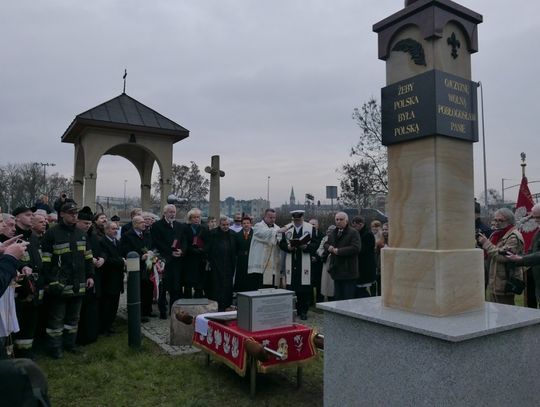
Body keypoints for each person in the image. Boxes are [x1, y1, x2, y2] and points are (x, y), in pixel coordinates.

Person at [41, 202, 94, 358]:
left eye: (75, 213)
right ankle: (55, 348)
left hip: (78, 284)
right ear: (61, 214)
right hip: (60, 285)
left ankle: (70, 344)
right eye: (70, 212)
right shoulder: (52, 234)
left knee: (73, 319)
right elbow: (46, 261)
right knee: (56, 320)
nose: (74, 215)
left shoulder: (81, 234)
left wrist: (90, 276)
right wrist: (51, 281)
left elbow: (88, 257)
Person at [12, 206, 44, 359]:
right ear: (17, 218)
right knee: (20, 321)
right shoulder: (12, 236)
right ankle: (17, 354)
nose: (31, 217)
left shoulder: (33, 237)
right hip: (20, 287)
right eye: (27, 215)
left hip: (35, 285)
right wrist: (21, 267)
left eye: (32, 215)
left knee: (32, 319)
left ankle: (27, 351)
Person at [477, 208, 524, 305]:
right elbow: (490, 252)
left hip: (506, 282)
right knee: (497, 315)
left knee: (507, 314)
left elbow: (502, 257)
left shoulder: (514, 236)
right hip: (495, 282)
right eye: (495, 220)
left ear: (509, 221)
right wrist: (480, 243)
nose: (496, 223)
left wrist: (486, 243)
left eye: (500, 220)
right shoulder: (497, 234)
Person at [279, 210, 318, 320]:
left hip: (304, 260)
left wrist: (306, 247)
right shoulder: (287, 229)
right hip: (291, 260)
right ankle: (292, 309)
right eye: (295, 220)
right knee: (292, 286)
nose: (297, 222)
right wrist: (287, 248)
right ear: (293, 219)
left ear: (302, 218)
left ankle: (303, 311)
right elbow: (281, 243)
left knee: (304, 287)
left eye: (299, 220)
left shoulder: (310, 228)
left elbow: (316, 243)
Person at [151, 204, 185, 317]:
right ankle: (162, 311)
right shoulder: (157, 225)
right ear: (164, 213)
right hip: (164, 261)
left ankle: (173, 311)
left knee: (176, 288)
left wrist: (182, 251)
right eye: (170, 212)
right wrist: (170, 252)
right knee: (163, 287)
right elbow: (157, 242)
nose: (172, 214)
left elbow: (184, 241)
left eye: (174, 212)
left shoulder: (180, 225)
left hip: (177, 262)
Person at [75, 207, 103, 345]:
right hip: (79, 276)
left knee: (91, 308)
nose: (88, 226)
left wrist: (102, 258)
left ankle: (91, 335)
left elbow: (103, 249)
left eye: (89, 223)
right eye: (85, 223)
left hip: (94, 275)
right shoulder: (75, 234)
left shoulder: (93, 236)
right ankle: (80, 337)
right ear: (77, 221)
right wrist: (89, 259)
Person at [120, 215, 154, 320]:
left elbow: (151, 246)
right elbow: (126, 251)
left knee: (149, 287)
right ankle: (139, 313)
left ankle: (148, 310)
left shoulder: (147, 234)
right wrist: (140, 257)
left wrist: (151, 254)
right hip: (136, 267)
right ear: (135, 224)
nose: (144, 224)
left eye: (144, 222)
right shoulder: (127, 236)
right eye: (141, 222)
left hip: (148, 265)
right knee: (139, 289)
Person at [506, 204, 540, 306]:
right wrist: (515, 258)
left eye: (537, 217)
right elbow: (531, 252)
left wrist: (521, 259)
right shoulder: (538, 232)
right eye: (533, 217)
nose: (535, 220)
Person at [324, 212, 361, 300]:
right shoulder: (333, 232)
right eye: (337, 219)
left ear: (346, 221)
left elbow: (356, 248)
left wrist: (339, 251)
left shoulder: (353, 232)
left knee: (348, 299)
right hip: (336, 270)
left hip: (348, 271)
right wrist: (329, 247)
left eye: (341, 219)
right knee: (338, 298)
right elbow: (326, 244)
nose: (338, 221)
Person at [247, 209, 288, 290]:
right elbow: (264, 234)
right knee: (259, 289)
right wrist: (278, 231)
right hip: (259, 267)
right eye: (270, 217)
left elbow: (280, 242)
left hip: (272, 266)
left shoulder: (276, 227)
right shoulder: (258, 226)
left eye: (274, 218)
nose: (273, 219)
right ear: (265, 217)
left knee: (272, 290)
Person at [98, 221, 125, 335]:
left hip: (117, 278)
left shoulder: (117, 242)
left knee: (114, 305)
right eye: (113, 229)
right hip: (108, 279)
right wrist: (121, 262)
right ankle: (104, 328)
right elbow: (106, 260)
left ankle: (110, 325)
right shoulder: (102, 242)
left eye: (117, 229)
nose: (116, 231)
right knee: (106, 306)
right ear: (107, 230)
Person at [206, 217, 237, 311]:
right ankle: (216, 306)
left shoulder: (232, 234)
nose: (225, 227)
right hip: (216, 264)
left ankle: (227, 306)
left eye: (227, 225)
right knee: (216, 286)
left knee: (228, 286)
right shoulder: (213, 233)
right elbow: (208, 248)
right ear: (220, 224)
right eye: (223, 225)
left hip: (229, 265)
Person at [181, 208, 208, 299]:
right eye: (194, 217)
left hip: (200, 259)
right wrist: (192, 250)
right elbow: (183, 242)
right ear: (190, 218)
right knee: (188, 284)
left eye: (198, 217)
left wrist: (202, 250)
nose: (197, 219)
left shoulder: (204, 228)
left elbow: (208, 243)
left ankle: (198, 302)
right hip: (189, 259)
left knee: (199, 284)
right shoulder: (185, 228)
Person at [351, 216, 376, 298]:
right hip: (361, 266)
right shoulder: (360, 233)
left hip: (365, 266)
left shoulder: (367, 234)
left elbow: (361, 249)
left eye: (355, 226)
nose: (354, 228)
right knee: (358, 289)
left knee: (361, 289)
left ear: (360, 224)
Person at [233, 216, 253, 293]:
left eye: (248, 223)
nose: (246, 225)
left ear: (251, 224)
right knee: (241, 279)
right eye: (244, 223)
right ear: (241, 224)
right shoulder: (237, 235)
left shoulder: (255, 235)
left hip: (251, 260)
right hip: (241, 261)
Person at [318, 225, 336, 301]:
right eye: (329, 231)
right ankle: (329, 299)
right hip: (327, 263)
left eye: (331, 231)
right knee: (328, 285)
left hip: (337, 263)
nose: (330, 233)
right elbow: (320, 249)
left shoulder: (339, 238)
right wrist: (324, 254)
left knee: (334, 284)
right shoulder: (324, 239)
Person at [308, 218, 324, 304]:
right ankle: (310, 301)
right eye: (310, 224)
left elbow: (323, 248)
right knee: (309, 283)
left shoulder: (323, 235)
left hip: (319, 263)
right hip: (309, 262)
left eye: (314, 224)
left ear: (318, 225)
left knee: (319, 283)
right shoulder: (306, 235)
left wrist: (317, 258)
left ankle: (319, 301)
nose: (312, 226)